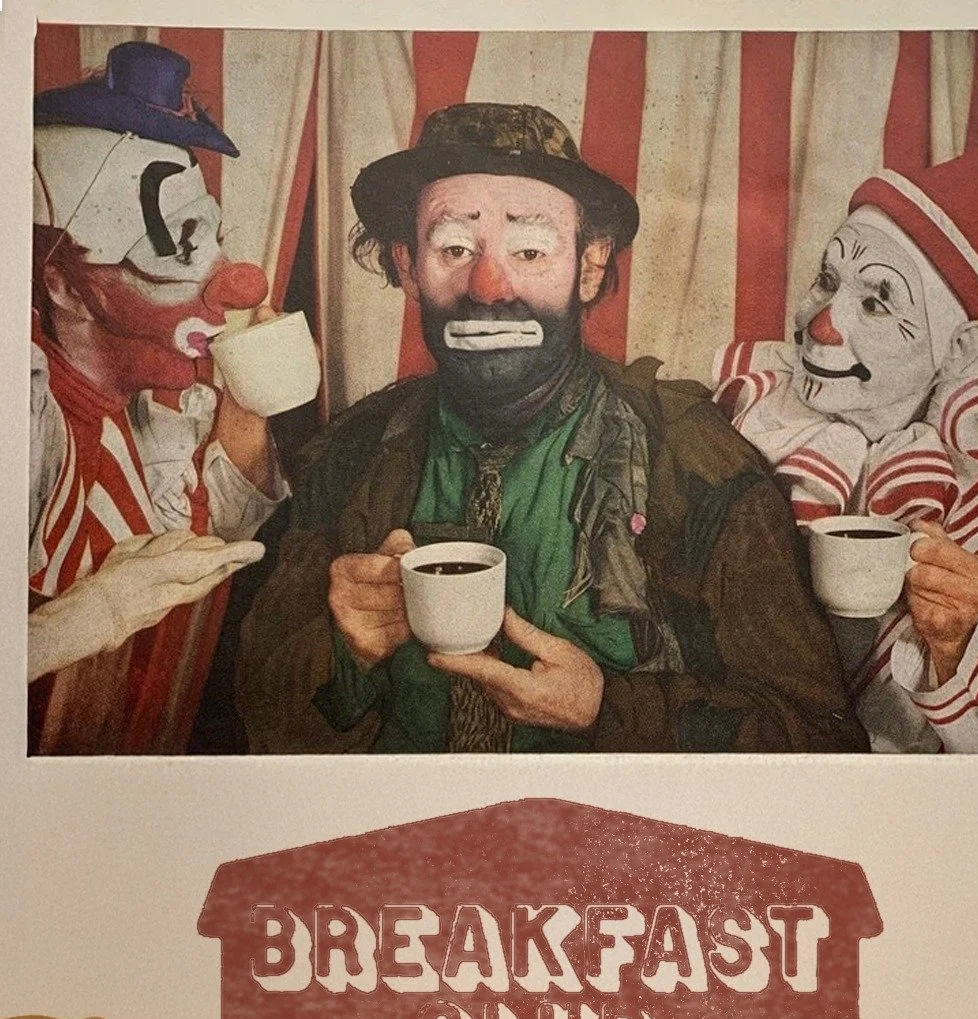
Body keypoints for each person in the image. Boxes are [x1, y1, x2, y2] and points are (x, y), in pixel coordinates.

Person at [236, 102, 866, 754]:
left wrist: (610, 709)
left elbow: (820, 736)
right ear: (406, 267)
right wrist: (345, 649)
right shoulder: (354, 452)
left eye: (530, 250)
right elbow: (260, 719)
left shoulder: (694, 461)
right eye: (453, 248)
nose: (486, 287)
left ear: (589, 268)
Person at [714, 142, 978, 752]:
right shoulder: (738, 415)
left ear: (963, 347)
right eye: (826, 280)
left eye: (875, 301)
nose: (820, 326)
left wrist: (955, 650)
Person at [30, 41, 289, 752]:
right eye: (179, 249)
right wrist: (96, 611)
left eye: (213, 242)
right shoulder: (23, 420)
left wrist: (248, 398)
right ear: (62, 283)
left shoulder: (155, 401)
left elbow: (211, 546)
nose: (231, 281)